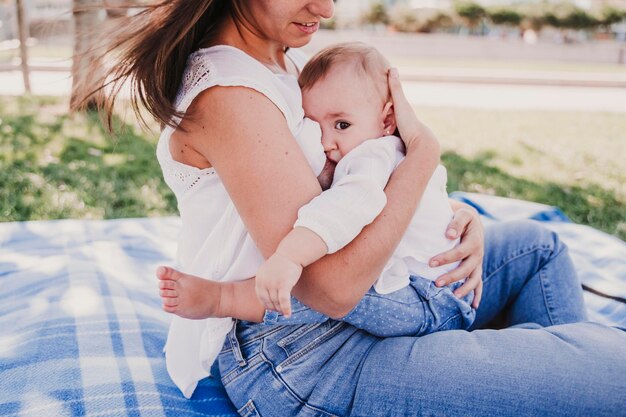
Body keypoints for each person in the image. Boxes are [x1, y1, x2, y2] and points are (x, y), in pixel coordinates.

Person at [82, 0, 626, 415]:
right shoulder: (229, 93)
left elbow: (355, 176)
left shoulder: (280, 63)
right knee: (613, 372)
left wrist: (451, 221)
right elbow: (334, 288)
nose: (325, 8)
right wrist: (424, 154)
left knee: (540, 245)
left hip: (390, 290)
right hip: (308, 354)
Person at [252, 42, 475, 339]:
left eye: (342, 125)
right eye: (316, 128)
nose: (326, 143)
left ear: (387, 121)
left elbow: (346, 205)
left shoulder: (369, 156)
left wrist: (290, 256)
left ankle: (227, 301)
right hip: (449, 285)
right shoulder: (396, 151)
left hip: (426, 298)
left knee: (304, 294)